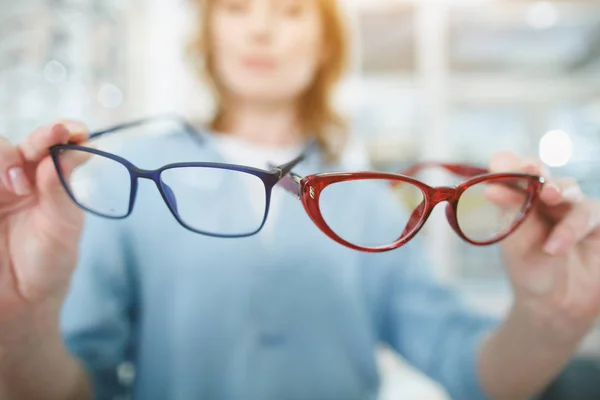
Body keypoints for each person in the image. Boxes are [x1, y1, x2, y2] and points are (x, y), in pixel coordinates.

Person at [0, 0, 599, 399]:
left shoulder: (369, 203)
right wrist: (19, 329)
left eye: (290, 9)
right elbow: (80, 382)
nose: (261, 27)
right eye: (237, 6)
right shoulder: (130, 181)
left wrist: (548, 323)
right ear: (210, 32)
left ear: (324, 42)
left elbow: (471, 369)